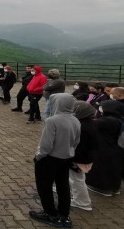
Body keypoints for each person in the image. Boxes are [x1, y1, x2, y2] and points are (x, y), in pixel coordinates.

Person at [29, 93, 80, 228]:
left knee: (44, 187)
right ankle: (64, 214)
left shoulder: (52, 121)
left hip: (49, 159)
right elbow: (76, 142)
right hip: (66, 158)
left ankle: (50, 214)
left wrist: (38, 156)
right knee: (63, 185)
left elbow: (46, 145)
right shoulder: (76, 120)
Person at [85, 100, 124, 196]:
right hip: (117, 148)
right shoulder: (120, 118)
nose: (100, 109)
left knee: (103, 169)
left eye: (102, 107)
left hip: (105, 148)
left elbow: (90, 125)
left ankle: (103, 189)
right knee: (115, 168)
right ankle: (115, 188)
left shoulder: (106, 121)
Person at [70, 101, 99, 211]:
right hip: (87, 156)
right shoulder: (91, 123)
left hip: (80, 158)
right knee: (77, 179)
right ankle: (79, 199)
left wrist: (72, 157)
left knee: (77, 180)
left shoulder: (81, 126)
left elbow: (79, 145)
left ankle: (83, 202)